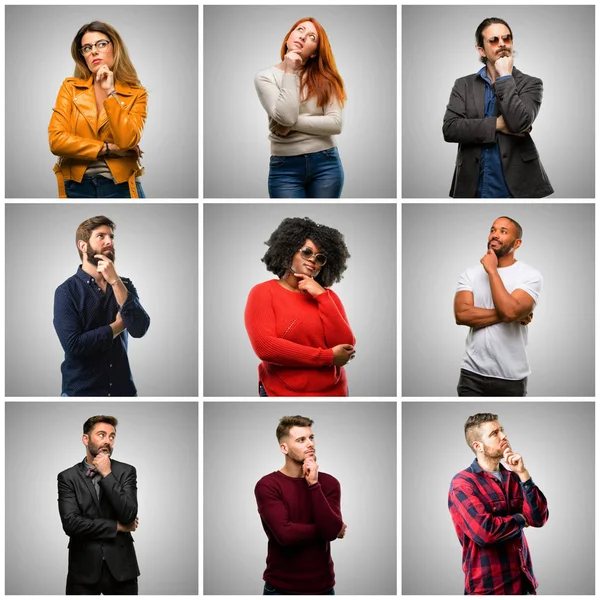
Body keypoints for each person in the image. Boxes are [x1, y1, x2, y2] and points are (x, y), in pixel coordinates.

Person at [443, 17, 553, 198]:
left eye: (506, 38)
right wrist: (498, 125)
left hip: (517, 182)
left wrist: (504, 77)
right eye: (493, 40)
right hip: (472, 182)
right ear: (481, 50)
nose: (502, 44)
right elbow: (450, 129)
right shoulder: (463, 84)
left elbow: (518, 123)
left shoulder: (531, 84)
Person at [245, 217, 355, 396]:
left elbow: (345, 347)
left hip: (334, 392)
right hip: (281, 392)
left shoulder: (328, 297)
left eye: (320, 258)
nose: (313, 260)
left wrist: (321, 296)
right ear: (288, 250)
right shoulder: (263, 292)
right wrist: (328, 357)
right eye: (306, 252)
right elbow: (266, 348)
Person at [448, 413, 548, 594]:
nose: (504, 436)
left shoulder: (514, 477)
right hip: (489, 589)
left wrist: (523, 473)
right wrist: (519, 519)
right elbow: (485, 532)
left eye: (502, 430)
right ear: (478, 445)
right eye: (495, 433)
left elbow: (539, 518)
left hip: (524, 585)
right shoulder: (463, 484)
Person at [53, 216, 150, 396]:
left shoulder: (124, 285)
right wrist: (117, 327)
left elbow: (139, 328)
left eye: (111, 237)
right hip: (81, 393)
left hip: (124, 392)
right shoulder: (66, 291)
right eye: (101, 236)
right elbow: (74, 346)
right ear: (83, 246)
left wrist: (114, 280)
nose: (109, 241)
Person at [49, 21, 147, 198]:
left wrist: (110, 92)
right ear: (83, 56)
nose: (93, 51)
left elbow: (126, 141)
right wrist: (108, 148)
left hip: (122, 184)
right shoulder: (70, 88)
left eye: (101, 44)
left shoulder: (137, 93)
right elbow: (56, 141)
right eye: (87, 48)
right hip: (77, 185)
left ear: (115, 47)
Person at [255, 17, 346, 198]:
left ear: (314, 53)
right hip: (284, 168)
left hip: (326, 165)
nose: (304, 37)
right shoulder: (265, 77)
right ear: (288, 37)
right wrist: (290, 71)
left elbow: (335, 124)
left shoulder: (326, 79)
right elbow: (286, 117)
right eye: (300, 30)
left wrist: (288, 124)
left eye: (312, 37)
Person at [255, 415, 346, 595]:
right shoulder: (267, 485)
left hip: (323, 588)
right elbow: (285, 535)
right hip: (280, 589)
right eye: (301, 440)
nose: (310, 444)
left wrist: (313, 484)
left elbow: (330, 532)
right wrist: (330, 528)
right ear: (284, 448)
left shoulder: (329, 483)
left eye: (311, 437)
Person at [454, 216, 542, 396]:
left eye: (503, 232)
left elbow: (510, 312)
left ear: (517, 243)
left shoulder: (530, 275)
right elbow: (462, 315)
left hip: (511, 377)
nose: (495, 235)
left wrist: (492, 271)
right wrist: (514, 313)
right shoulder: (470, 274)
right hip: (471, 375)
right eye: (493, 230)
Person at [57, 415, 140, 594]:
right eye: (101, 435)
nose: (107, 441)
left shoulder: (126, 471)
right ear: (85, 439)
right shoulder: (67, 477)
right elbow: (71, 524)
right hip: (82, 570)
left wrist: (107, 474)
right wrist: (117, 526)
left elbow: (129, 515)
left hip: (122, 569)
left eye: (111, 436)